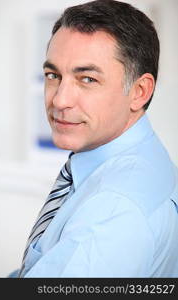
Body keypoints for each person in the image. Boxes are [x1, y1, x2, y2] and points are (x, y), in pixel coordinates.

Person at [15, 0, 178, 277]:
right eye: (53, 75)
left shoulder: (112, 211)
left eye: (87, 79)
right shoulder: (141, 159)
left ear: (140, 91)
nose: (60, 100)